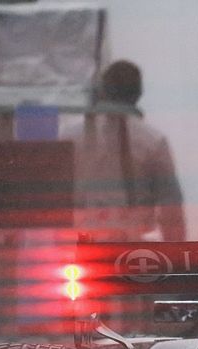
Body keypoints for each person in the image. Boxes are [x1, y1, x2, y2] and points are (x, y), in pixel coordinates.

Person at [62, 60, 185, 242]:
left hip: (80, 241)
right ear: (139, 94)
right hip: (133, 244)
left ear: (102, 91)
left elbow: (51, 196)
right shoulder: (153, 140)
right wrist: (178, 257)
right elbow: (171, 207)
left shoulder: (69, 137)